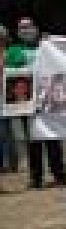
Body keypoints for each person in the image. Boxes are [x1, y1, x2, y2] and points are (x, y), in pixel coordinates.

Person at [5, 17, 66, 189]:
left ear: (36, 28)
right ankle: (36, 178)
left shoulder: (47, 47)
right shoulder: (13, 50)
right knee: (33, 141)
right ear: (17, 32)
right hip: (27, 104)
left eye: (29, 26)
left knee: (53, 139)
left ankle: (60, 176)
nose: (26, 30)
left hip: (49, 101)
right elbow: (9, 74)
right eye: (21, 27)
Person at [0, 24, 16, 173]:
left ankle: (10, 163)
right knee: (4, 131)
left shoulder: (11, 53)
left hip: (10, 97)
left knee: (6, 132)